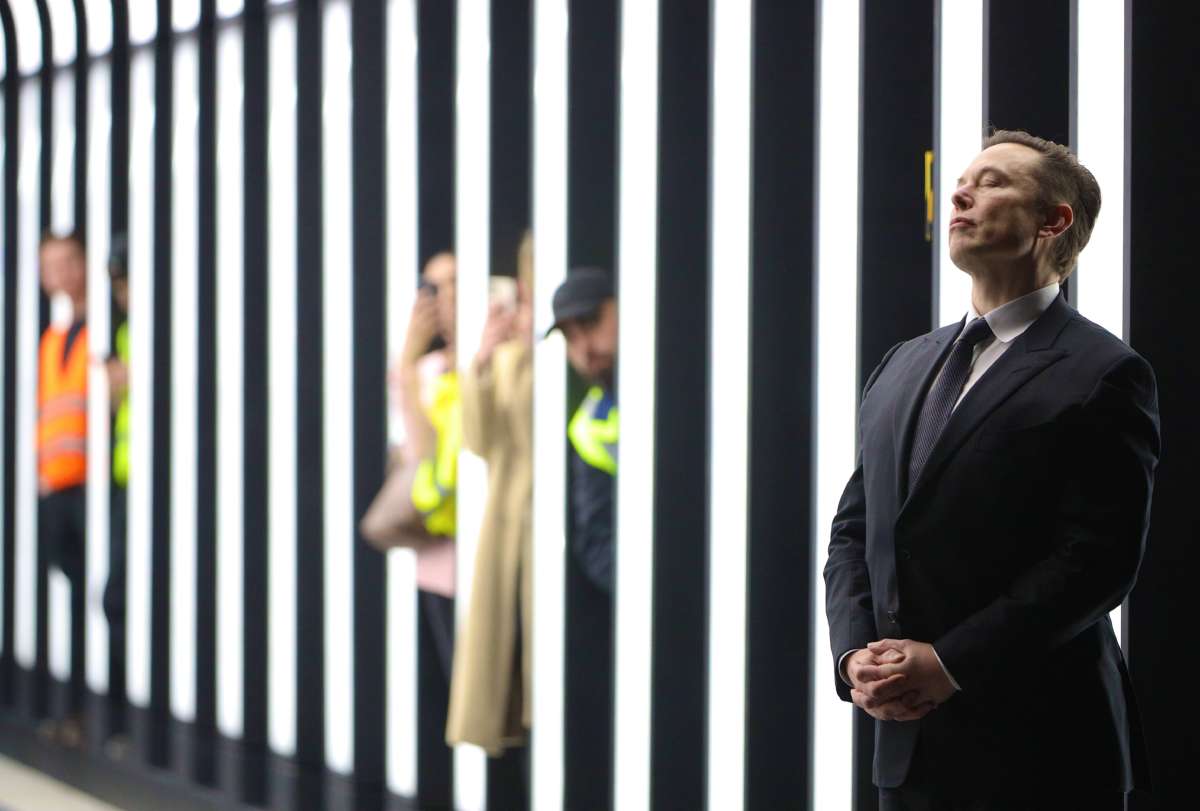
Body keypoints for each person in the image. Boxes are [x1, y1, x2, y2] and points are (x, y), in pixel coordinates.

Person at [824, 130, 1159, 810]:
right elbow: (855, 532)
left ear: (1052, 220)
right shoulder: (901, 364)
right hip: (908, 749)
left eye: (994, 181)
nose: (960, 191)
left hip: (1045, 753)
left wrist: (949, 663)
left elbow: (1097, 561)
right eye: (961, 180)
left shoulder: (1105, 371)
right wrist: (854, 655)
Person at [447, 234, 534, 796]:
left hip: (549, 530)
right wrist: (484, 356)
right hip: (510, 525)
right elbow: (477, 440)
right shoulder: (510, 353)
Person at [546, 267, 618, 808]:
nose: (584, 346)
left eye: (591, 323)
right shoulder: (590, 422)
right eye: (570, 336)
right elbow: (597, 544)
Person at [36, 232, 91, 747]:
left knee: (105, 598)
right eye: (49, 265)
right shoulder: (54, 339)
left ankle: (103, 715)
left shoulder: (103, 331)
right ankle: (75, 712)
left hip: (95, 487)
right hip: (57, 487)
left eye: (67, 262)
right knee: (73, 599)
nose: (60, 274)